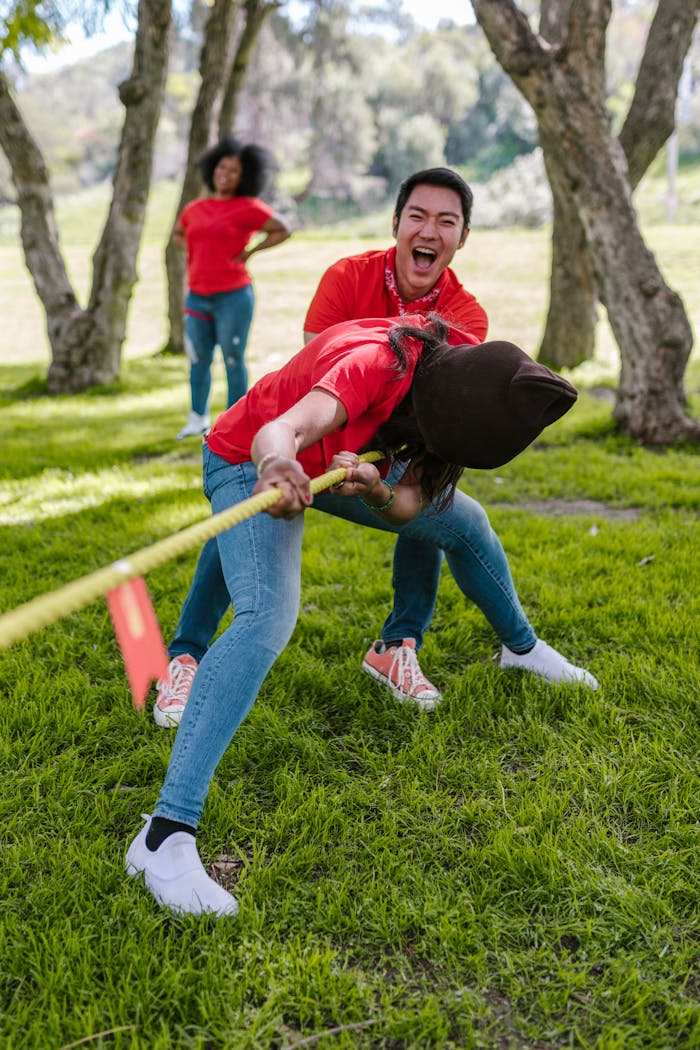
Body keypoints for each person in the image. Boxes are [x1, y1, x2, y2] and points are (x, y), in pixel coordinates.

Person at [126, 312, 589, 917]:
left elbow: (409, 506)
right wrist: (279, 466)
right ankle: (162, 838)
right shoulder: (377, 364)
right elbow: (281, 428)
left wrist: (373, 487)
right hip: (250, 460)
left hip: (331, 467)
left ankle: (521, 648)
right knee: (267, 617)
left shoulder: (459, 382)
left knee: (463, 519)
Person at [152, 168, 594, 729]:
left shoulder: (466, 316)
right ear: (396, 223)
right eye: (418, 215)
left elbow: (440, 417)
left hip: (382, 457)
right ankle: (185, 656)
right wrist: (296, 452)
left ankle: (409, 645)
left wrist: (387, 473)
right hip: (308, 438)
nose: (429, 229)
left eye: (446, 221)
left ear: (462, 238)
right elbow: (320, 369)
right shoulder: (348, 276)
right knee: (248, 503)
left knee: (447, 512)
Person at [174, 136, 292, 440]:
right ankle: (196, 418)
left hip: (233, 297)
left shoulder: (248, 208)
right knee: (198, 359)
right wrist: (197, 254)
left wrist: (251, 252)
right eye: (221, 167)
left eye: (234, 170)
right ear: (213, 168)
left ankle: (234, 422)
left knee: (232, 358)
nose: (225, 174)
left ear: (245, 177)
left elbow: (283, 229)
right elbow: (178, 233)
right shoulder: (195, 208)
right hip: (198, 297)